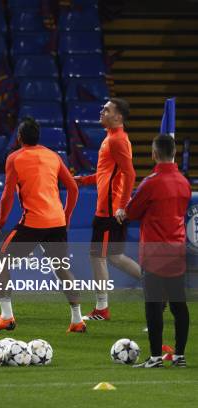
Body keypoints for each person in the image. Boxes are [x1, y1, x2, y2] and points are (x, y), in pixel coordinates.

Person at [0, 117, 85, 334]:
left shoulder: (14, 158)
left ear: (19, 138)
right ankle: (77, 320)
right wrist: (66, 217)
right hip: (57, 222)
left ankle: (6, 316)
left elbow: (7, 195)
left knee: (0, 262)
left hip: (33, 223)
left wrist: (1, 219)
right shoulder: (54, 156)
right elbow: (74, 189)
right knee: (62, 269)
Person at [124, 135, 191, 368]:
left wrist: (122, 213)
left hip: (154, 252)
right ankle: (180, 356)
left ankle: (154, 358)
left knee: (153, 305)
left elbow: (131, 212)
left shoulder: (150, 182)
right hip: (177, 251)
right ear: (174, 152)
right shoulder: (184, 182)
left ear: (154, 154)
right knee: (178, 304)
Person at [74, 98, 142, 321]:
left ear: (118, 117)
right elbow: (106, 173)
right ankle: (157, 285)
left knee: (98, 257)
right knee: (113, 256)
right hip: (110, 208)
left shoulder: (118, 140)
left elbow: (130, 174)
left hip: (110, 211)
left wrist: (121, 206)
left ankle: (102, 308)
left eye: (107, 109)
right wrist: (84, 180)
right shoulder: (111, 138)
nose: (102, 111)